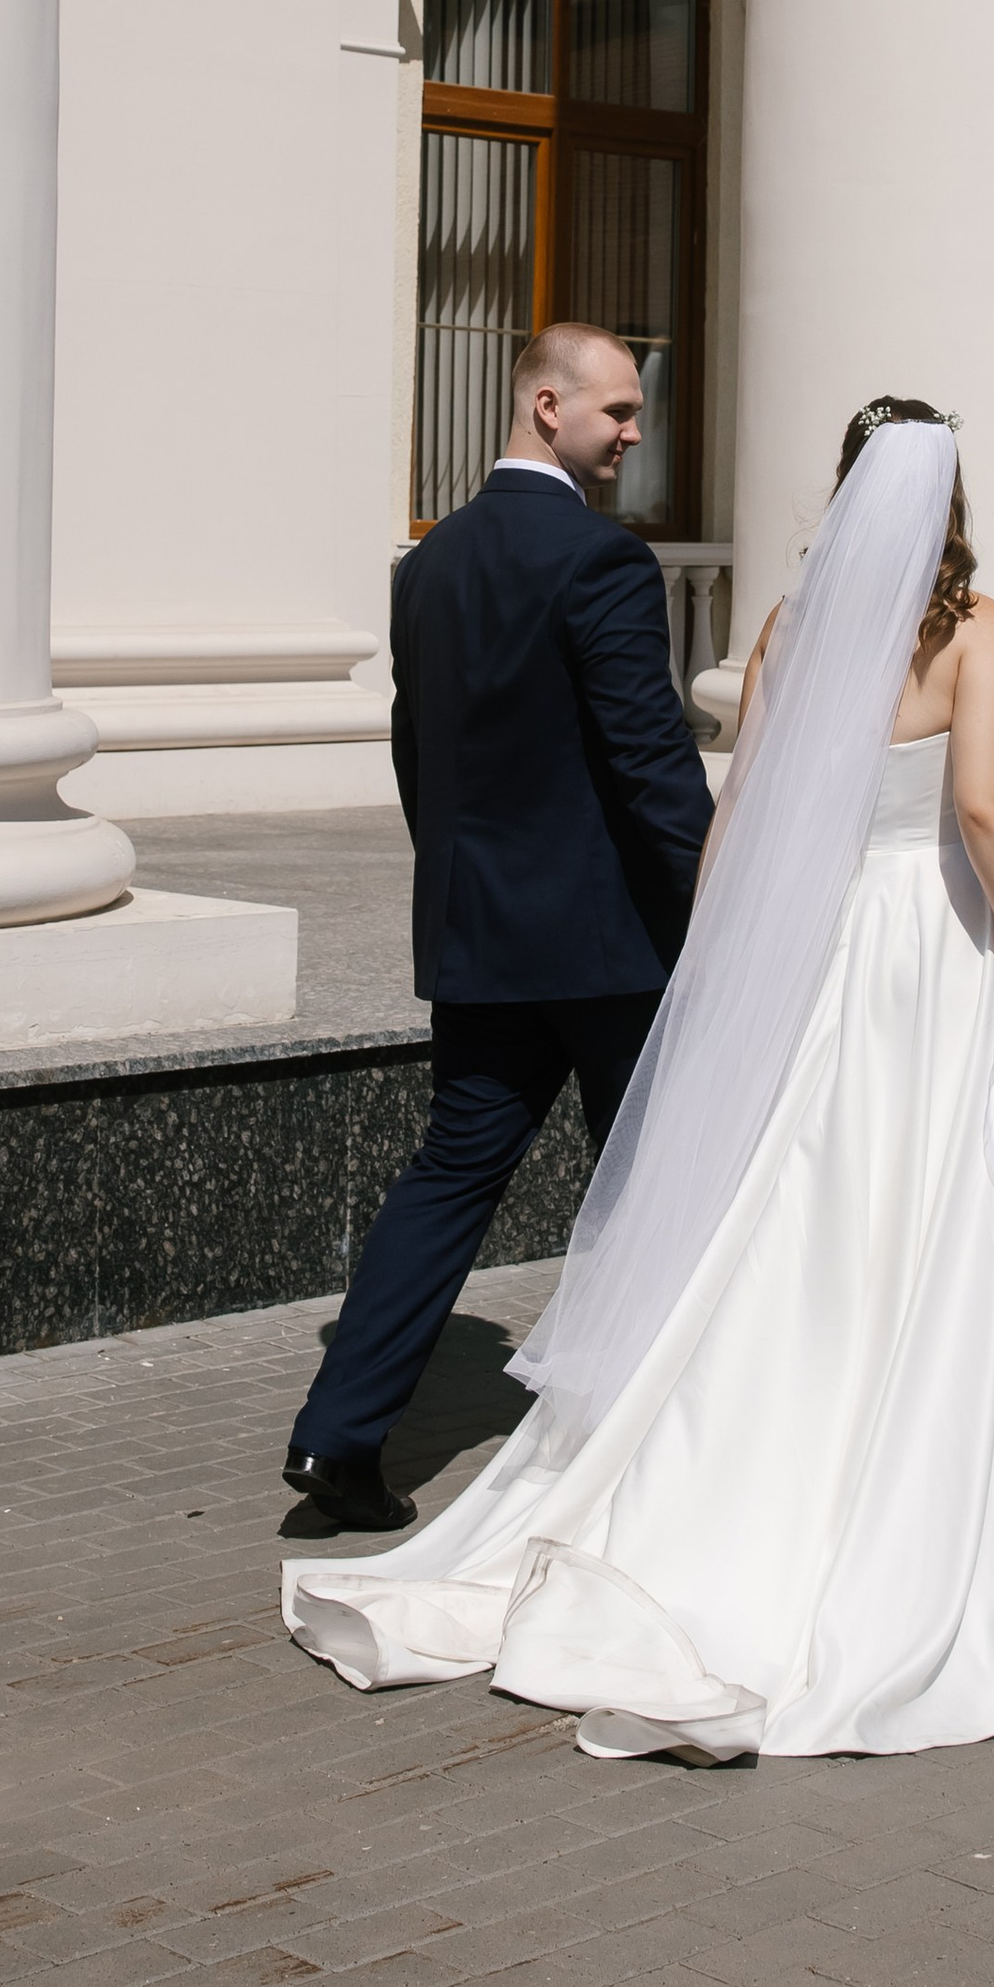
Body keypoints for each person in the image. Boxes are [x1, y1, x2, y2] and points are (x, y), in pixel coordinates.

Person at [282, 398, 994, 1756]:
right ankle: (897, 1499)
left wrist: (731, 961)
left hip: (807, 948)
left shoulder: (793, 631)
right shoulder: (981, 634)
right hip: (922, 951)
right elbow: (982, 805)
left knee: (787, 1213)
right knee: (917, 1213)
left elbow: (739, 812)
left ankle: (740, 1453)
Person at [282, 321, 715, 1534]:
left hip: (482, 937)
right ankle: (653, 1438)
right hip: (609, 946)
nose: (635, 434)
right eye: (617, 412)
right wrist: (721, 907)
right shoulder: (602, 561)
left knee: (450, 1177)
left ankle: (339, 1435)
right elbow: (649, 767)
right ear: (545, 405)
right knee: (647, 1185)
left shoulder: (429, 566)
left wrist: (465, 887)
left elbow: (417, 753)